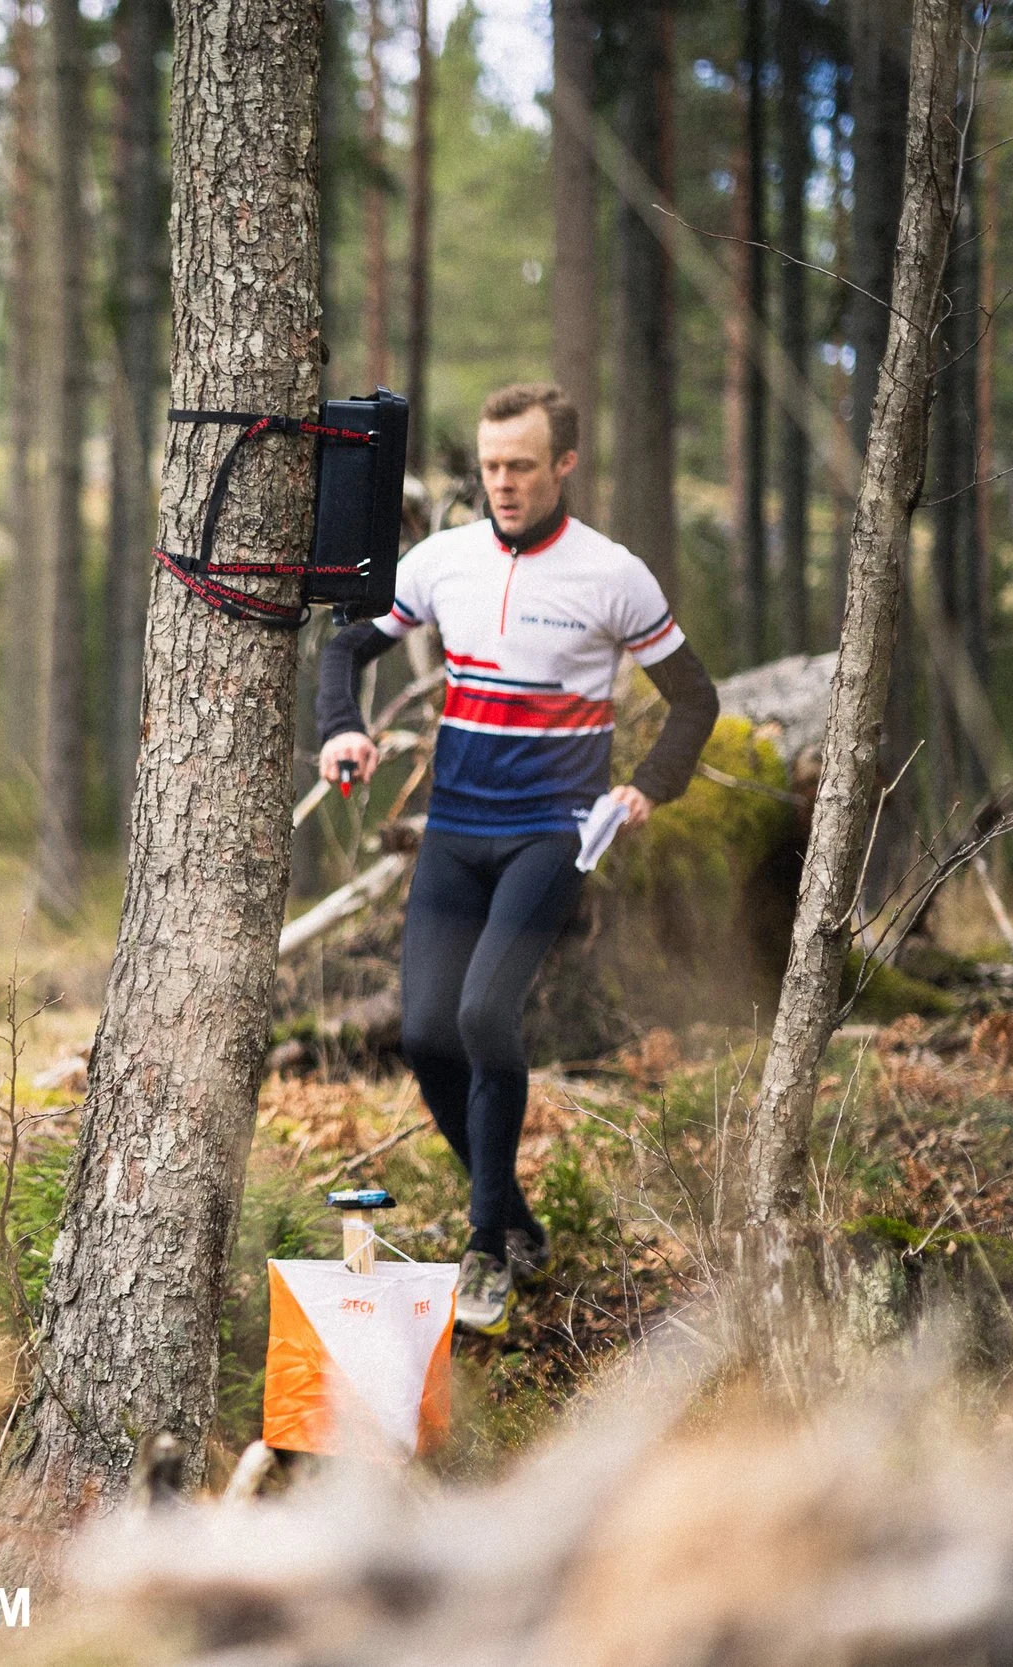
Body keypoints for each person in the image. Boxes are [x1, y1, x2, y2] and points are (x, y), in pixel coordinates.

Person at [315, 382, 719, 1337]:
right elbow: (346, 648)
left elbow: (694, 699)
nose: (502, 483)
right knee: (423, 1035)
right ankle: (523, 1219)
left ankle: (487, 1244)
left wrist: (648, 786)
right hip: (456, 830)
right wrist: (344, 731)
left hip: (555, 830)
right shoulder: (444, 561)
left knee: (486, 1013)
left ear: (563, 465)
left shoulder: (613, 575)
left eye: (521, 467)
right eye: (490, 467)